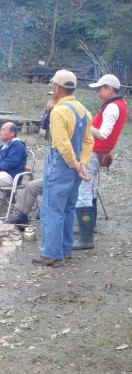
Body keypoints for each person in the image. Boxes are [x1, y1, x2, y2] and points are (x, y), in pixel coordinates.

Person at [33, 69, 94, 267]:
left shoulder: (59, 111)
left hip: (61, 164)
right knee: (68, 206)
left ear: (57, 88)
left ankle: (51, 253)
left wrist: (75, 165)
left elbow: (62, 143)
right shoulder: (84, 110)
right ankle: (65, 249)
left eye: (53, 87)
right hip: (76, 166)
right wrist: (83, 163)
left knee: (52, 208)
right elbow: (88, 141)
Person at [73, 74, 128, 250]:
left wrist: (84, 125)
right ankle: (90, 227)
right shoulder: (119, 105)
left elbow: (104, 134)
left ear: (109, 89)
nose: (98, 93)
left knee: (84, 191)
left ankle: (86, 237)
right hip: (100, 152)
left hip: (95, 151)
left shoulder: (112, 108)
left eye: (100, 89)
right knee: (90, 189)